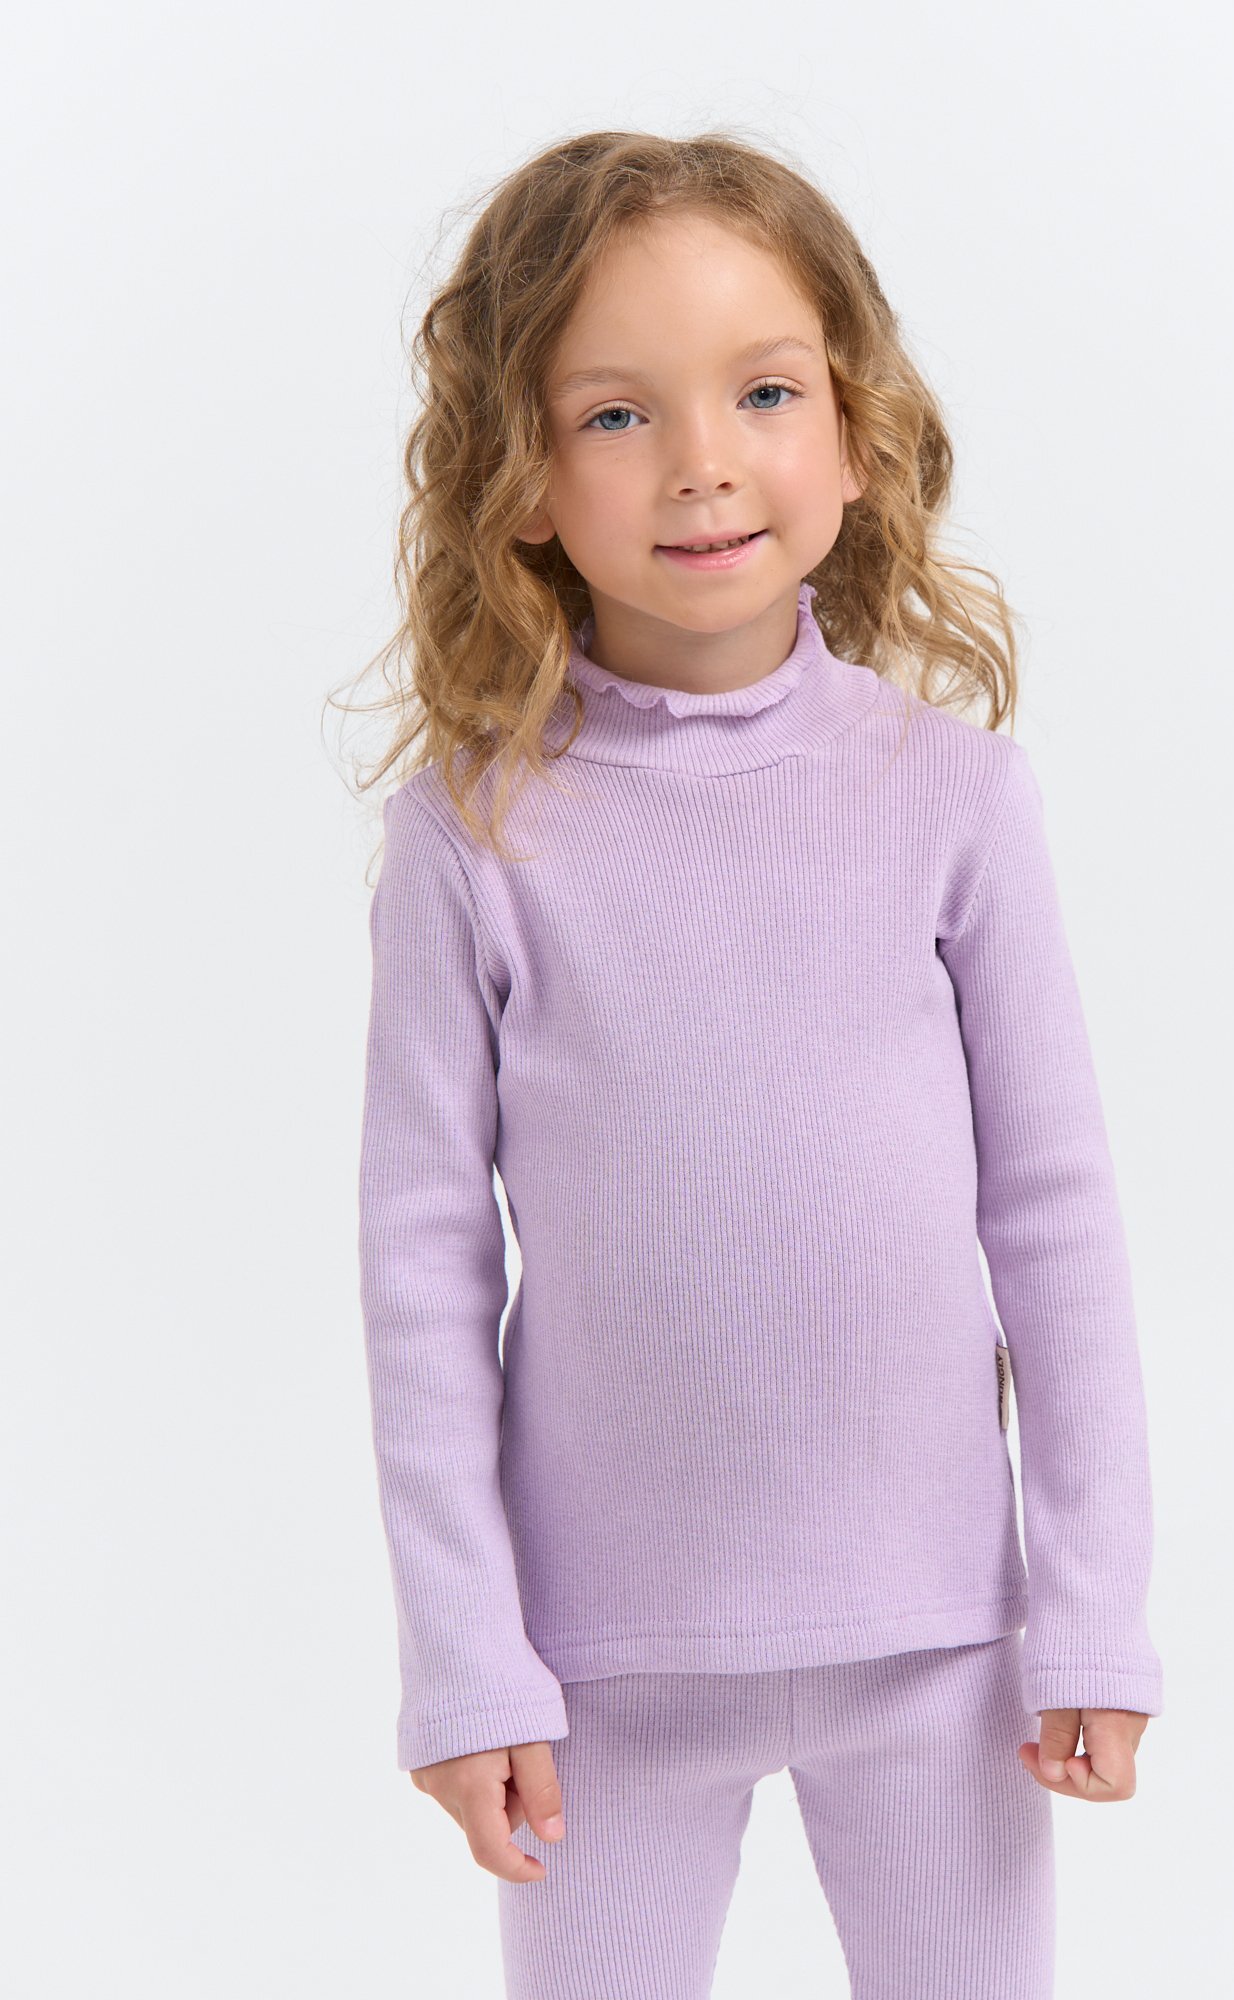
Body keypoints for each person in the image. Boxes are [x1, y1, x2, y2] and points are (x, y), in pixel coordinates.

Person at [349, 127, 1163, 1999]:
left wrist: (1093, 1614)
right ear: (519, 479)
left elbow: (1056, 1224)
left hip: (943, 1648)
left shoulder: (954, 798)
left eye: (766, 391)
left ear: (859, 434)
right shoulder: (471, 837)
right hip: (598, 1670)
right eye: (616, 413)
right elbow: (420, 1271)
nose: (703, 459)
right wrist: (466, 1660)